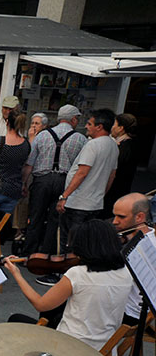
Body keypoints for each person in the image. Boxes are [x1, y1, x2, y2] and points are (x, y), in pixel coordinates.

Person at [5, 219, 131, 351]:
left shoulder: (78, 274)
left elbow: (41, 304)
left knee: (16, 319)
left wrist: (17, 274)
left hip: (69, 347)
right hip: (104, 348)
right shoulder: (126, 272)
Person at [54, 109, 119, 261]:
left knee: (69, 241)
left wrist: (64, 196)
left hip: (78, 202)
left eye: (90, 124)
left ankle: (61, 274)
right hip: (94, 202)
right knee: (84, 241)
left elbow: (82, 172)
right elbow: (112, 175)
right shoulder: (113, 145)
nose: (86, 127)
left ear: (99, 126)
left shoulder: (93, 145)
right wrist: (101, 193)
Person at [22, 104, 86, 257]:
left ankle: (28, 254)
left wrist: (24, 183)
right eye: (77, 118)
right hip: (64, 182)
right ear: (73, 119)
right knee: (55, 220)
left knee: (35, 217)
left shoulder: (42, 135)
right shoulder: (80, 139)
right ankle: (46, 254)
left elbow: (30, 163)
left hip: (41, 181)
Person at [111, 193, 151, 325]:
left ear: (140, 217)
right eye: (115, 215)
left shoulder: (147, 246)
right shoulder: (146, 233)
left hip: (129, 312)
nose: (114, 221)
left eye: (121, 217)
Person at [0, 108, 29, 218]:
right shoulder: (26, 144)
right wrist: (23, 184)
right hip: (14, 189)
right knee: (2, 225)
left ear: (7, 122)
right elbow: (25, 167)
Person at [104, 113, 138, 218]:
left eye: (114, 124)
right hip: (120, 190)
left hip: (114, 191)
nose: (112, 127)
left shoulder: (124, 147)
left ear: (121, 128)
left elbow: (114, 170)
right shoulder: (128, 144)